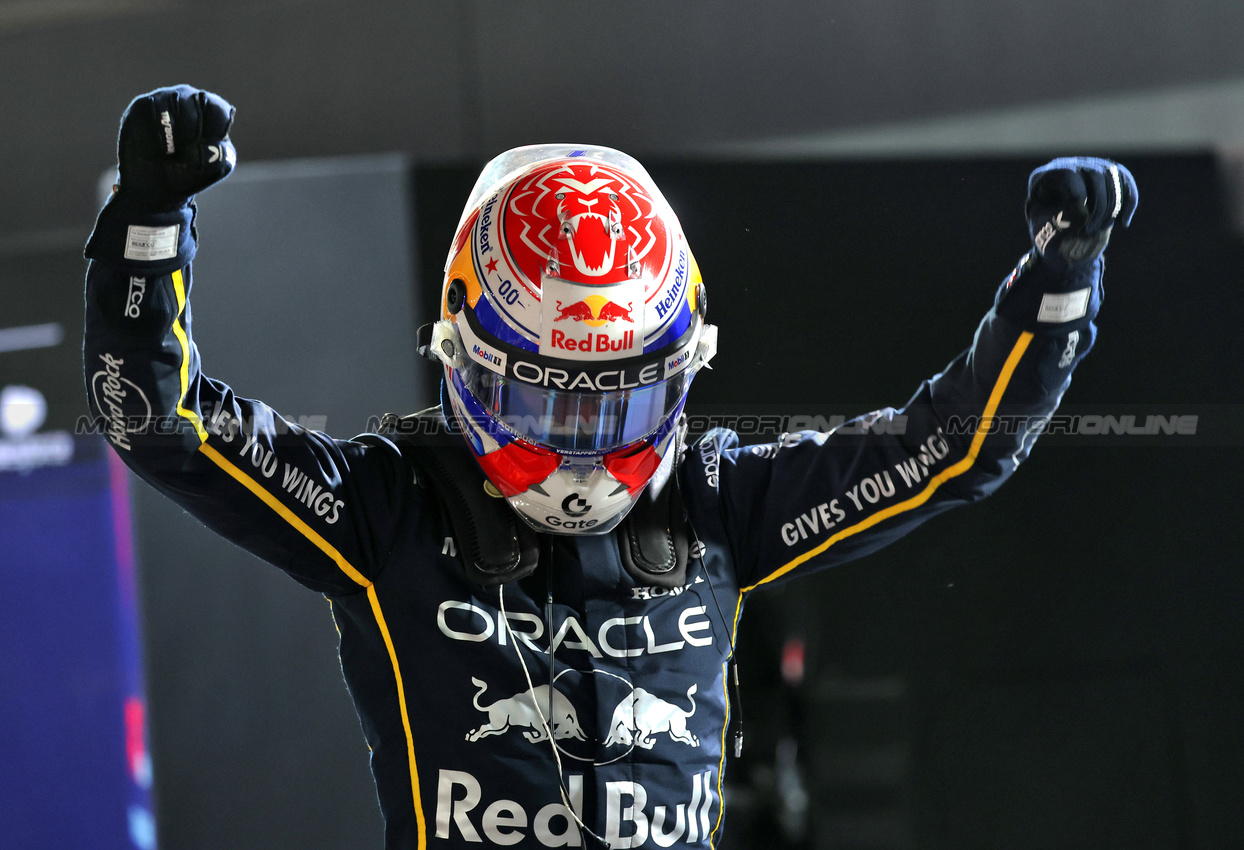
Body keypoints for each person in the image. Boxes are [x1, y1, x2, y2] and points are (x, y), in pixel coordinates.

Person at [83, 86, 1136, 849]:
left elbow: (948, 450)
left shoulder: (720, 501)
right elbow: (158, 420)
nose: (582, 441)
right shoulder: (388, 506)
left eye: (620, 399)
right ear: (461, 350)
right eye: (545, 398)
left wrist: (1053, 292)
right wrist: (145, 229)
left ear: (680, 372)